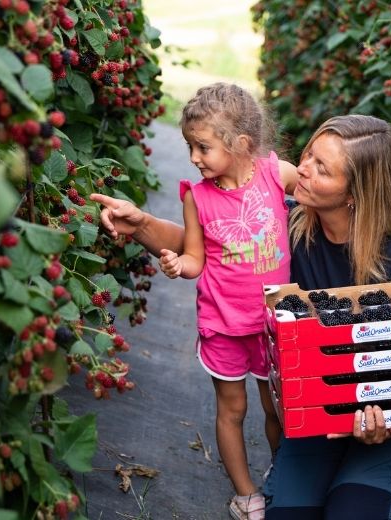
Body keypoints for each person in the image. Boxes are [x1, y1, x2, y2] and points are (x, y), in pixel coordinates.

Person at [90, 114, 391, 520]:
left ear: (355, 192)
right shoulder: (290, 223)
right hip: (321, 411)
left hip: (387, 425)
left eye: (322, 168)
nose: (303, 169)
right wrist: (142, 225)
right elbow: (211, 243)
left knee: (352, 514)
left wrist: (387, 415)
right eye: (308, 155)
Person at [109, 82, 297, 520]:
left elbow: (309, 190)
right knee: (232, 409)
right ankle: (245, 493)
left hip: (272, 325)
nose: (194, 157)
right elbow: (196, 257)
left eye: (203, 147)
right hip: (224, 325)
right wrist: (178, 264)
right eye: (190, 146)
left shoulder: (275, 173)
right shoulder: (198, 198)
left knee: (278, 406)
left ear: (241, 144)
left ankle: (285, 476)